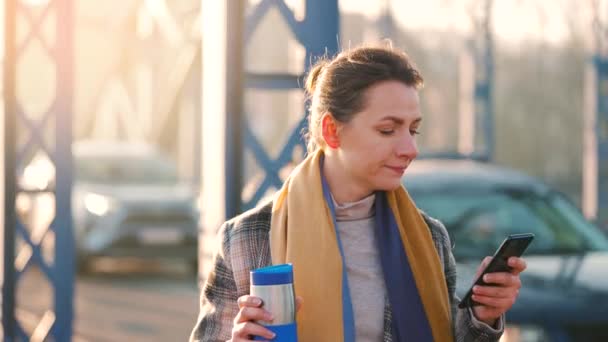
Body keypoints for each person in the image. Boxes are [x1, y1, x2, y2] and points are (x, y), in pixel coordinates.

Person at [190, 44, 527, 342]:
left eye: (413, 130)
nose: (410, 148)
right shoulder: (247, 238)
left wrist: (482, 315)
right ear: (332, 131)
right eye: (388, 129)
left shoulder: (429, 237)